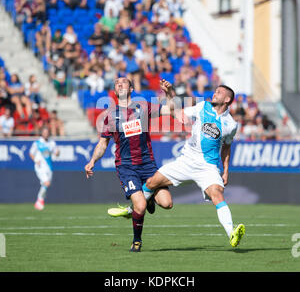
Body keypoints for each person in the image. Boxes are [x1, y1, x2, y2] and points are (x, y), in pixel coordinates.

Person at [140, 85, 246, 248]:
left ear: (227, 100)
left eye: (219, 92)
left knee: (217, 194)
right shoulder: (203, 107)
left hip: (208, 168)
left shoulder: (231, 124)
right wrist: (169, 94)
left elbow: (226, 148)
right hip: (187, 161)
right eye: (215, 91)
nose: (214, 94)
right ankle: (132, 209)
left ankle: (231, 233)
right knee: (151, 183)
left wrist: (225, 172)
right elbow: (179, 113)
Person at [84, 77, 174, 252]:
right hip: (127, 167)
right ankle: (137, 240)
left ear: (131, 88)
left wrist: (168, 93)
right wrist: (92, 161)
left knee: (167, 203)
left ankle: (147, 200)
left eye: (124, 81)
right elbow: (103, 144)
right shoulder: (110, 116)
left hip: (148, 165)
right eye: (117, 83)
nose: (119, 84)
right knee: (139, 206)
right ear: (115, 91)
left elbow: (169, 109)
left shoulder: (143, 107)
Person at [29, 126, 60, 210]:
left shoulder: (52, 143)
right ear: (42, 133)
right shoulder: (37, 143)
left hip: (49, 167)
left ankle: (39, 201)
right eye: (44, 132)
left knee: (45, 185)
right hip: (40, 166)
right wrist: (35, 160)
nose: (46, 134)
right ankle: (39, 201)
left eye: (47, 132)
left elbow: (56, 153)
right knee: (46, 183)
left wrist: (57, 153)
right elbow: (31, 153)